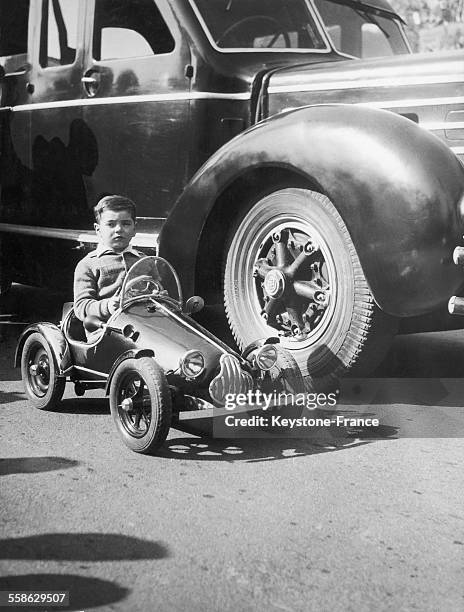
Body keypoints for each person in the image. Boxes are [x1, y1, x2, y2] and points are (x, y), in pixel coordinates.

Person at [73, 195, 142, 336]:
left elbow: (156, 289)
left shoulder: (144, 260)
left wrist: (160, 296)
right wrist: (108, 306)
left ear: (135, 228)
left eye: (126, 224)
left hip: (144, 325)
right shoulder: (88, 264)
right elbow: (81, 307)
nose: (118, 229)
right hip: (106, 330)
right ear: (98, 229)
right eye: (111, 224)